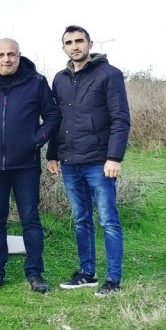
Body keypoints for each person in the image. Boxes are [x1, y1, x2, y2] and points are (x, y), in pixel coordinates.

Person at [0, 38, 60, 293]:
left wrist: (37, 140)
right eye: (1, 55)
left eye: (11, 54)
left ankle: (34, 272)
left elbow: (52, 116)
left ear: (19, 56)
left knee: (30, 218)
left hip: (26, 164)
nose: (6, 59)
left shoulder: (37, 82)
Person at [47, 25, 131, 296]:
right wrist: (52, 154)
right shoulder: (60, 79)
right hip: (70, 162)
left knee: (108, 220)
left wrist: (114, 157)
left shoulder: (109, 74)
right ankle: (87, 273)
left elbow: (120, 118)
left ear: (90, 44)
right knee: (81, 218)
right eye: (69, 42)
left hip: (99, 162)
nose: (75, 46)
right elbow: (56, 120)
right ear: (63, 48)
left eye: (79, 41)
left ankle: (113, 279)